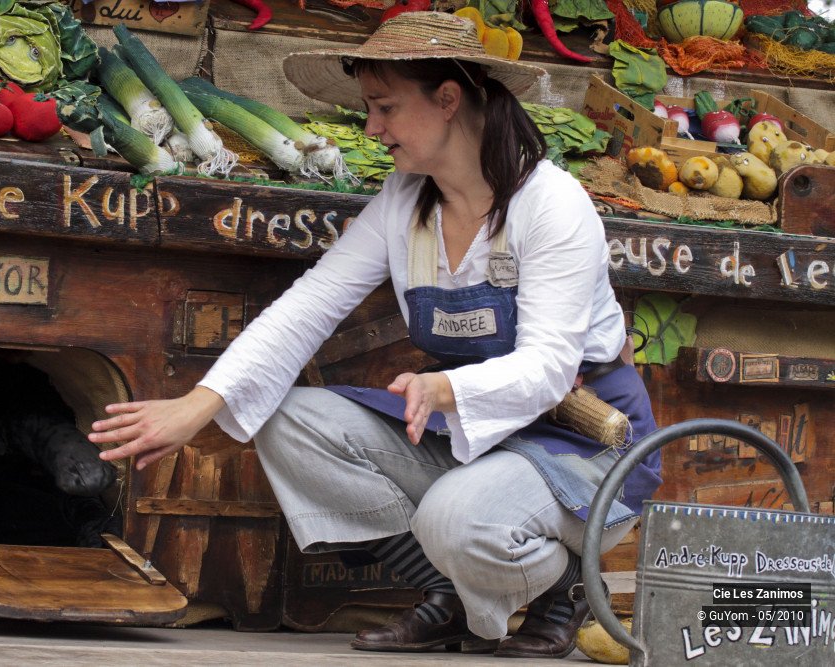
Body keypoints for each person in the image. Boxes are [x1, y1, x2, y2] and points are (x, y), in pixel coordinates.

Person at [89, 11, 662, 659]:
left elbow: (550, 369)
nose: (371, 127)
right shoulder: (405, 201)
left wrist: (445, 384)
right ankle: (450, 594)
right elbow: (309, 306)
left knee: (455, 517)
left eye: (385, 107)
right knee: (287, 423)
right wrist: (197, 406)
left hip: (582, 445)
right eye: (369, 109)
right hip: (477, 436)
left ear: (448, 100)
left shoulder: (550, 205)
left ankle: (562, 587)